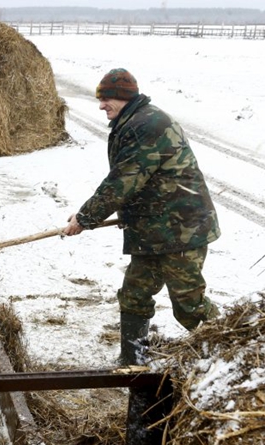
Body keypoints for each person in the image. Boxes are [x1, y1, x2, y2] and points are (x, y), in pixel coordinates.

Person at [62, 68, 220, 365]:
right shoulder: (134, 121)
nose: (101, 105)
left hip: (181, 231)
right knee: (134, 296)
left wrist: (86, 217)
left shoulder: (148, 125)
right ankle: (132, 362)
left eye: (106, 98)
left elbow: (124, 180)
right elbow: (132, 183)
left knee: (190, 307)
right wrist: (86, 215)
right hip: (154, 231)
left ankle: (231, 351)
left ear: (123, 98)